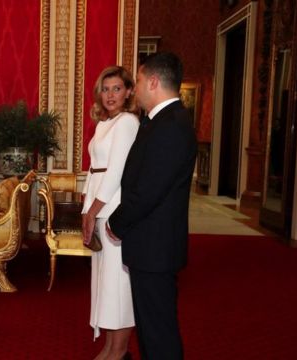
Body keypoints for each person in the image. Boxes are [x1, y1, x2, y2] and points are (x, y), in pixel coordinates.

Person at [107, 52, 198, 359]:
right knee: (150, 328)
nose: (135, 88)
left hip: (155, 247)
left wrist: (116, 222)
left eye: (141, 80)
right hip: (149, 245)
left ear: (155, 82)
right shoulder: (160, 121)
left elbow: (148, 190)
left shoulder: (171, 125)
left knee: (159, 331)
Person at [81, 66, 140, 360]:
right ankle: (108, 347)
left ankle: (119, 351)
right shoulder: (106, 123)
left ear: (129, 91)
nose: (110, 95)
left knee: (118, 283)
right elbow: (95, 170)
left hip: (113, 209)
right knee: (105, 283)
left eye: (117, 89)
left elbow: (115, 172)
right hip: (99, 207)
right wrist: (87, 208)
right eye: (106, 89)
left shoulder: (128, 122)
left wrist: (92, 212)